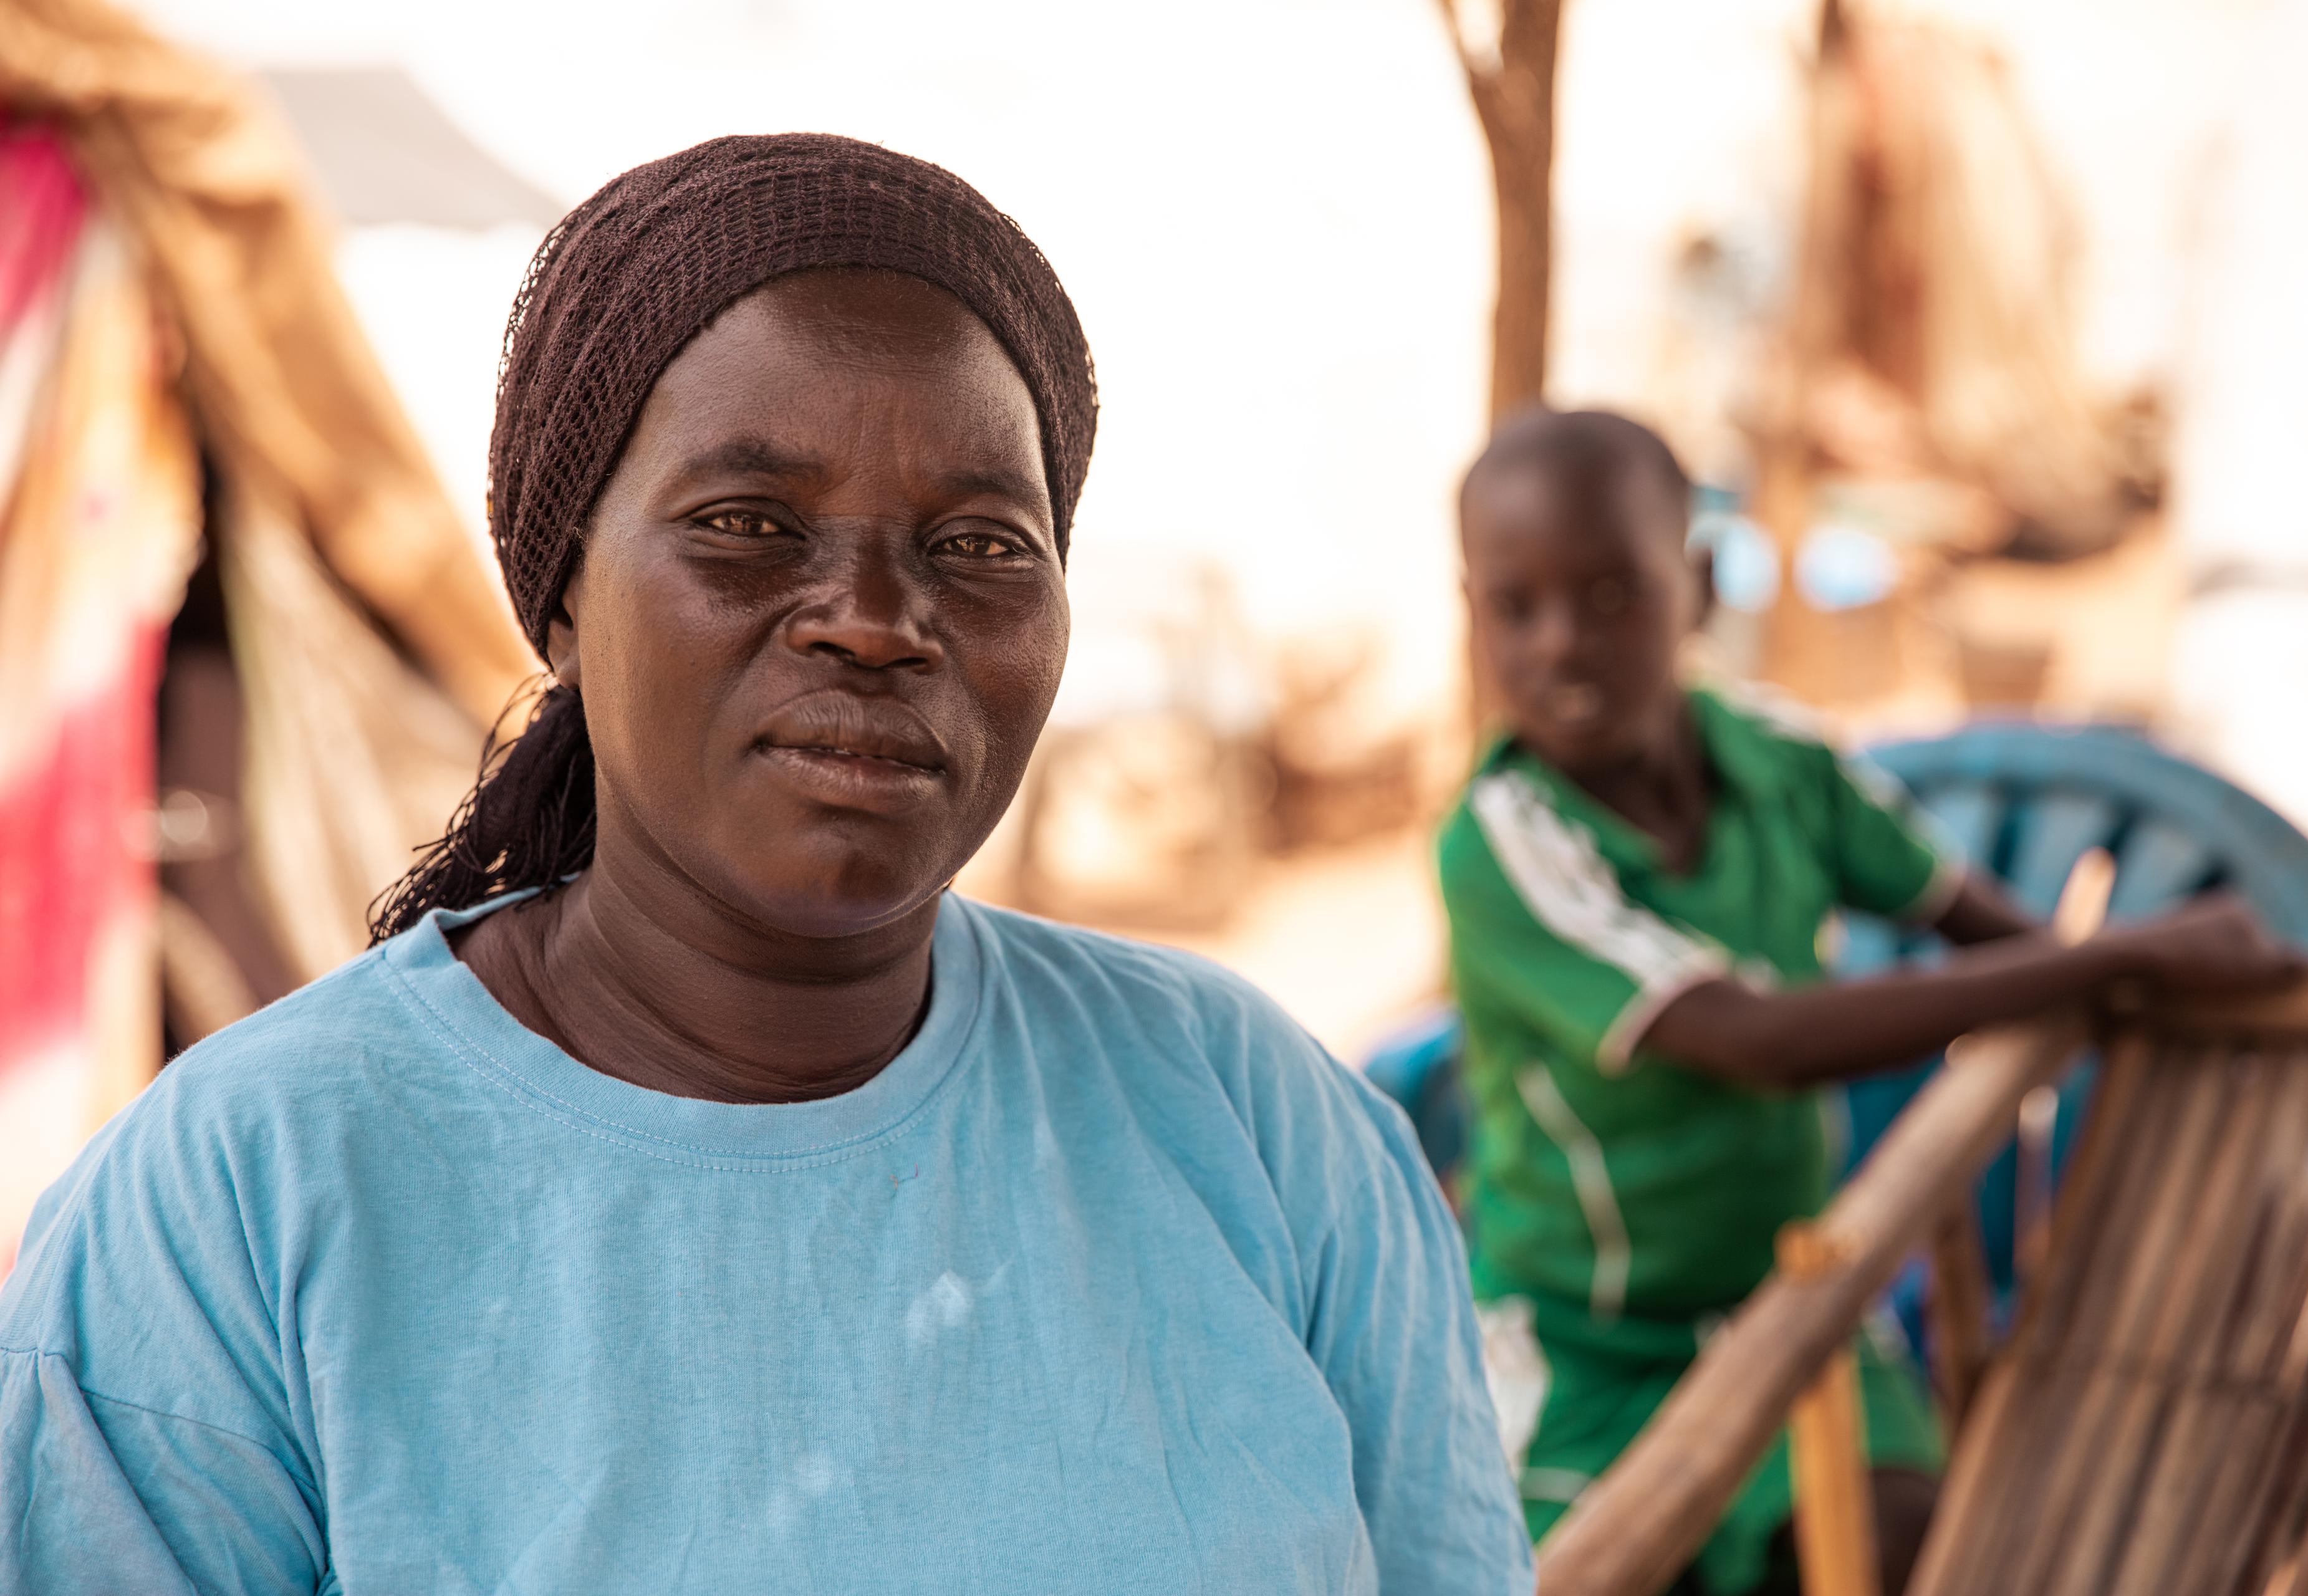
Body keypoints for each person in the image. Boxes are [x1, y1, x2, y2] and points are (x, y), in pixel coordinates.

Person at [0, 135, 1532, 1595]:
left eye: (983, 542)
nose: (873, 615)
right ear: (562, 601)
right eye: (747, 524)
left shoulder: (1262, 1127)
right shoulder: (236, 1205)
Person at [1441, 408, 2308, 1594]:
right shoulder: (1505, 842)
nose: (1562, 645)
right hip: (1584, 1349)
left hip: (1797, 1303)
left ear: (1697, 588)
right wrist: (2122, 957)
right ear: (1472, 615)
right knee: (1578, 1570)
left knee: (1908, 1546)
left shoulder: (1783, 763)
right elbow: (1756, 1042)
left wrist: (2120, 969)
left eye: (1611, 595)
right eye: (1515, 606)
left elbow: (1983, 927)